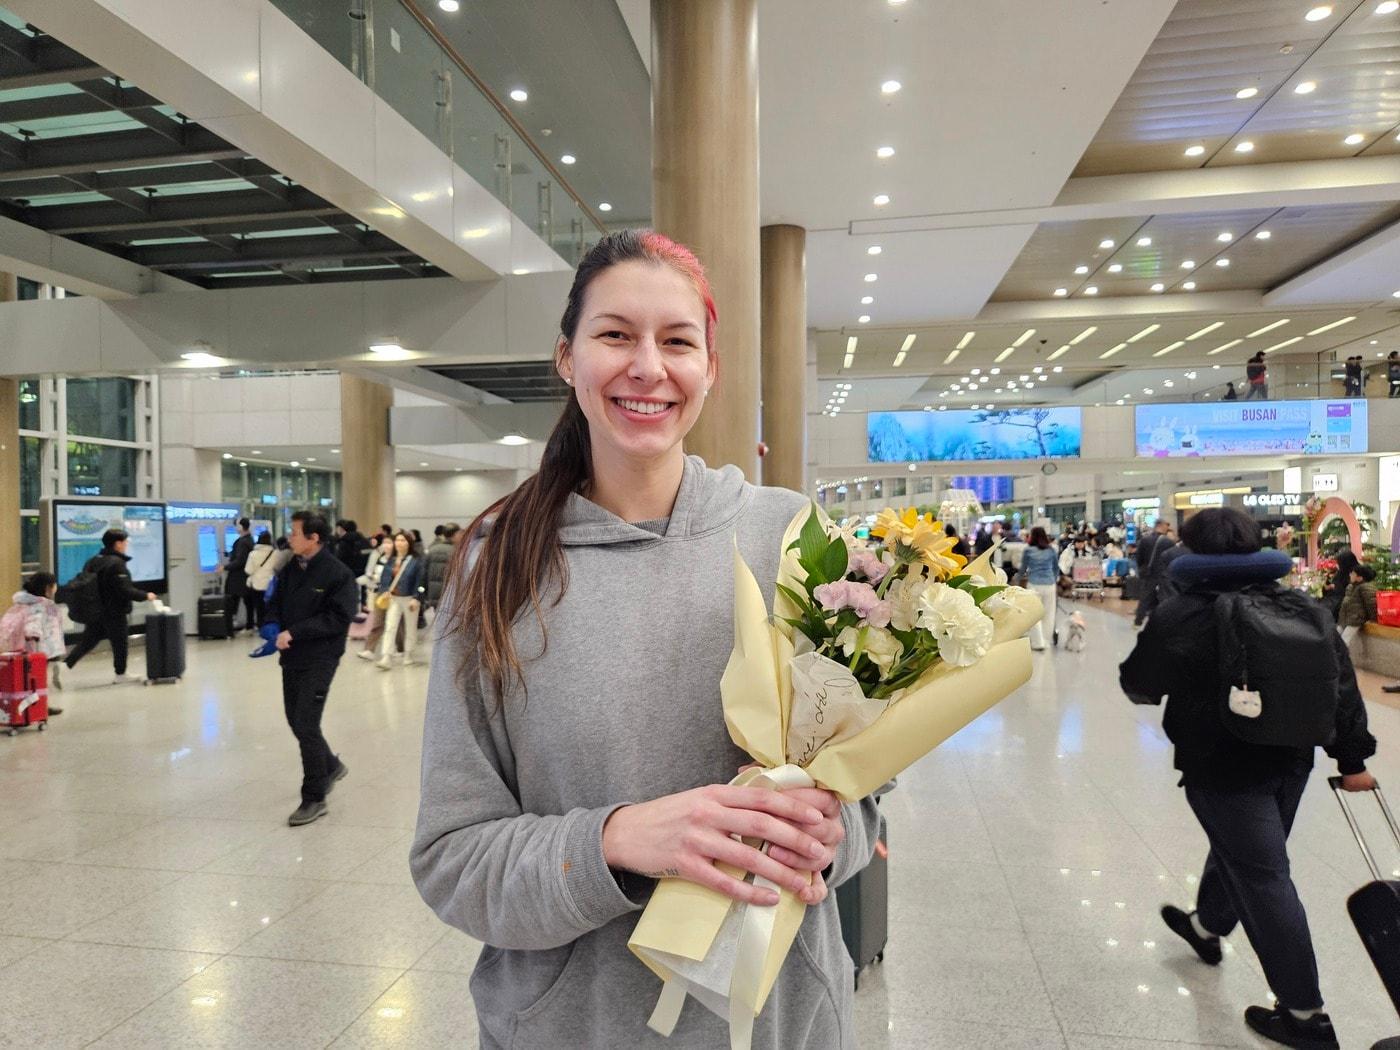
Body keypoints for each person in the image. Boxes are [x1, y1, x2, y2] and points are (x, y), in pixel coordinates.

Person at [410, 229, 881, 1049]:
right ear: (567, 358)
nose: (648, 367)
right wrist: (617, 842)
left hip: (779, 1027)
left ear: (711, 369)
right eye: (615, 335)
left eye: (677, 342)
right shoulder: (496, 567)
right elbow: (452, 859)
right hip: (572, 1027)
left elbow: (866, 802)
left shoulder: (791, 538)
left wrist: (832, 836)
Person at [1119, 508, 1376, 1050]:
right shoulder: (1303, 608)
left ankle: (1306, 1017)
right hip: (1291, 759)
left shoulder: (1183, 613)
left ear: (1191, 550)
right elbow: (1342, 688)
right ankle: (1207, 927)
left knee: (1262, 876)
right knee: (1247, 853)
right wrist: (1351, 760)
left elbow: (1139, 683)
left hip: (1220, 763)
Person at [266, 510, 357, 827]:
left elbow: (338, 618)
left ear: (313, 538)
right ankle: (329, 765)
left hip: (321, 656)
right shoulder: (290, 567)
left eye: (294, 532)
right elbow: (275, 601)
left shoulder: (337, 574)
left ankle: (314, 797)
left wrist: (296, 632)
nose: (289, 538)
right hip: (291, 655)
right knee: (295, 719)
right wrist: (272, 624)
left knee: (306, 722)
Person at [64, 529, 156, 683]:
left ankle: (65, 665)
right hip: (114, 611)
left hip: (94, 609)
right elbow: (124, 589)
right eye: (125, 542)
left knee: (88, 641)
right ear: (118, 544)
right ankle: (120, 674)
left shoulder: (93, 560)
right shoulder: (117, 564)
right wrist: (146, 595)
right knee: (120, 643)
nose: (126, 545)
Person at [1, 571, 66, 714]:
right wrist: (34, 637)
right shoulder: (39, 605)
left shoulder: (21, 603)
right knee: (37, 679)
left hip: (19, 647)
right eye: (54, 585)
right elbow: (33, 625)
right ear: (48, 588)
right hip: (35, 649)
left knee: (26, 678)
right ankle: (39, 706)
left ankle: (31, 704)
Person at [373, 529, 423, 670]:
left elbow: (420, 582)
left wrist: (416, 597)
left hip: (409, 599)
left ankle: (408, 654)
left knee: (410, 627)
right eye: (398, 540)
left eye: (403, 540)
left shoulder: (415, 561)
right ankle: (386, 657)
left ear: (409, 543)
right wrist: (384, 591)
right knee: (390, 626)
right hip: (394, 598)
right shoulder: (391, 560)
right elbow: (384, 578)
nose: (399, 543)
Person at [357, 534, 405, 659]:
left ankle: (401, 648)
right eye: (384, 542)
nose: (386, 545)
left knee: (396, 623)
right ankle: (369, 650)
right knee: (378, 621)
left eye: (389, 542)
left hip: (395, 594)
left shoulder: (399, 559)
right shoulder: (379, 557)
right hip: (380, 592)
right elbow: (370, 571)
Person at [1133, 518, 1176, 626]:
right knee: (1165, 596)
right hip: (1163, 573)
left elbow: (1139, 557)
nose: (1168, 527)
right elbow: (1172, 557)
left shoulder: (1144, 540)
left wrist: (1142, 568)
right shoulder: (1168, 542)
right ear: (1161, 525)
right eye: (1167, 525)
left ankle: (1138, 620)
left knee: (1145, 597)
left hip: (1149, 573)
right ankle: (1164, 620)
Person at [1022, 526, 1058, 652]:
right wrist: (1054, 579)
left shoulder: (1028, 551)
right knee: (1048, 614)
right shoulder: (1051, 550)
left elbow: (1023, 569)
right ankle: (1046, 641)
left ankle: (1038, 642)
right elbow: (1056, 568)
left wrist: (1017, 580)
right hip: (1049, 584)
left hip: (1034, 584)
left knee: (1034, 613)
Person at [224, 517, 254, 635]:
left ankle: (230, 626)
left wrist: (225, 567)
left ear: (241, 527)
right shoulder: (250, 540)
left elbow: (240, 560)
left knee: (233, 601)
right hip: (246, 576)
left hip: (237, 578)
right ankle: (250, 625)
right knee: (249, 602)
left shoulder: (241, 542)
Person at [421, 522, 459, 611]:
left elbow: (424, 573)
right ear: (455, 534)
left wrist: (425, 593)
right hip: (451, 595)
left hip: (434, 594)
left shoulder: (432, 549)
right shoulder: (458, 551)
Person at [1336, 563, 1377, 646]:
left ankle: (1341, 658)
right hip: (1345, 619)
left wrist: (1374, 619)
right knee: (1335, 638)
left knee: (1344, 641)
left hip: (1355, 620)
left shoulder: (1366, 587)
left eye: (1353, 573)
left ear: (1360, 578)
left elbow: (1371, 605)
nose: (1350, 575)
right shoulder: (1350, 587)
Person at [243, 532, 278, 629]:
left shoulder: (253, 554)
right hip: (270, 585)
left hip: (257, 584)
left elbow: (248, 570)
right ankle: (269, 625)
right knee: (269, 607)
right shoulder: (275, 553)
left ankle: (260, 626)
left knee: (259, 607)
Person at [1321, 548, 1357, 621]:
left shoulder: (1355, 573)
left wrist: (1333, 586)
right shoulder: (1342, 571)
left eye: (1339, 563)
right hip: (1333, 599)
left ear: (1345, 563)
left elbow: (1348, 590)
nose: (1337, 564)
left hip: (1340, 601)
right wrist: (1328, 582)